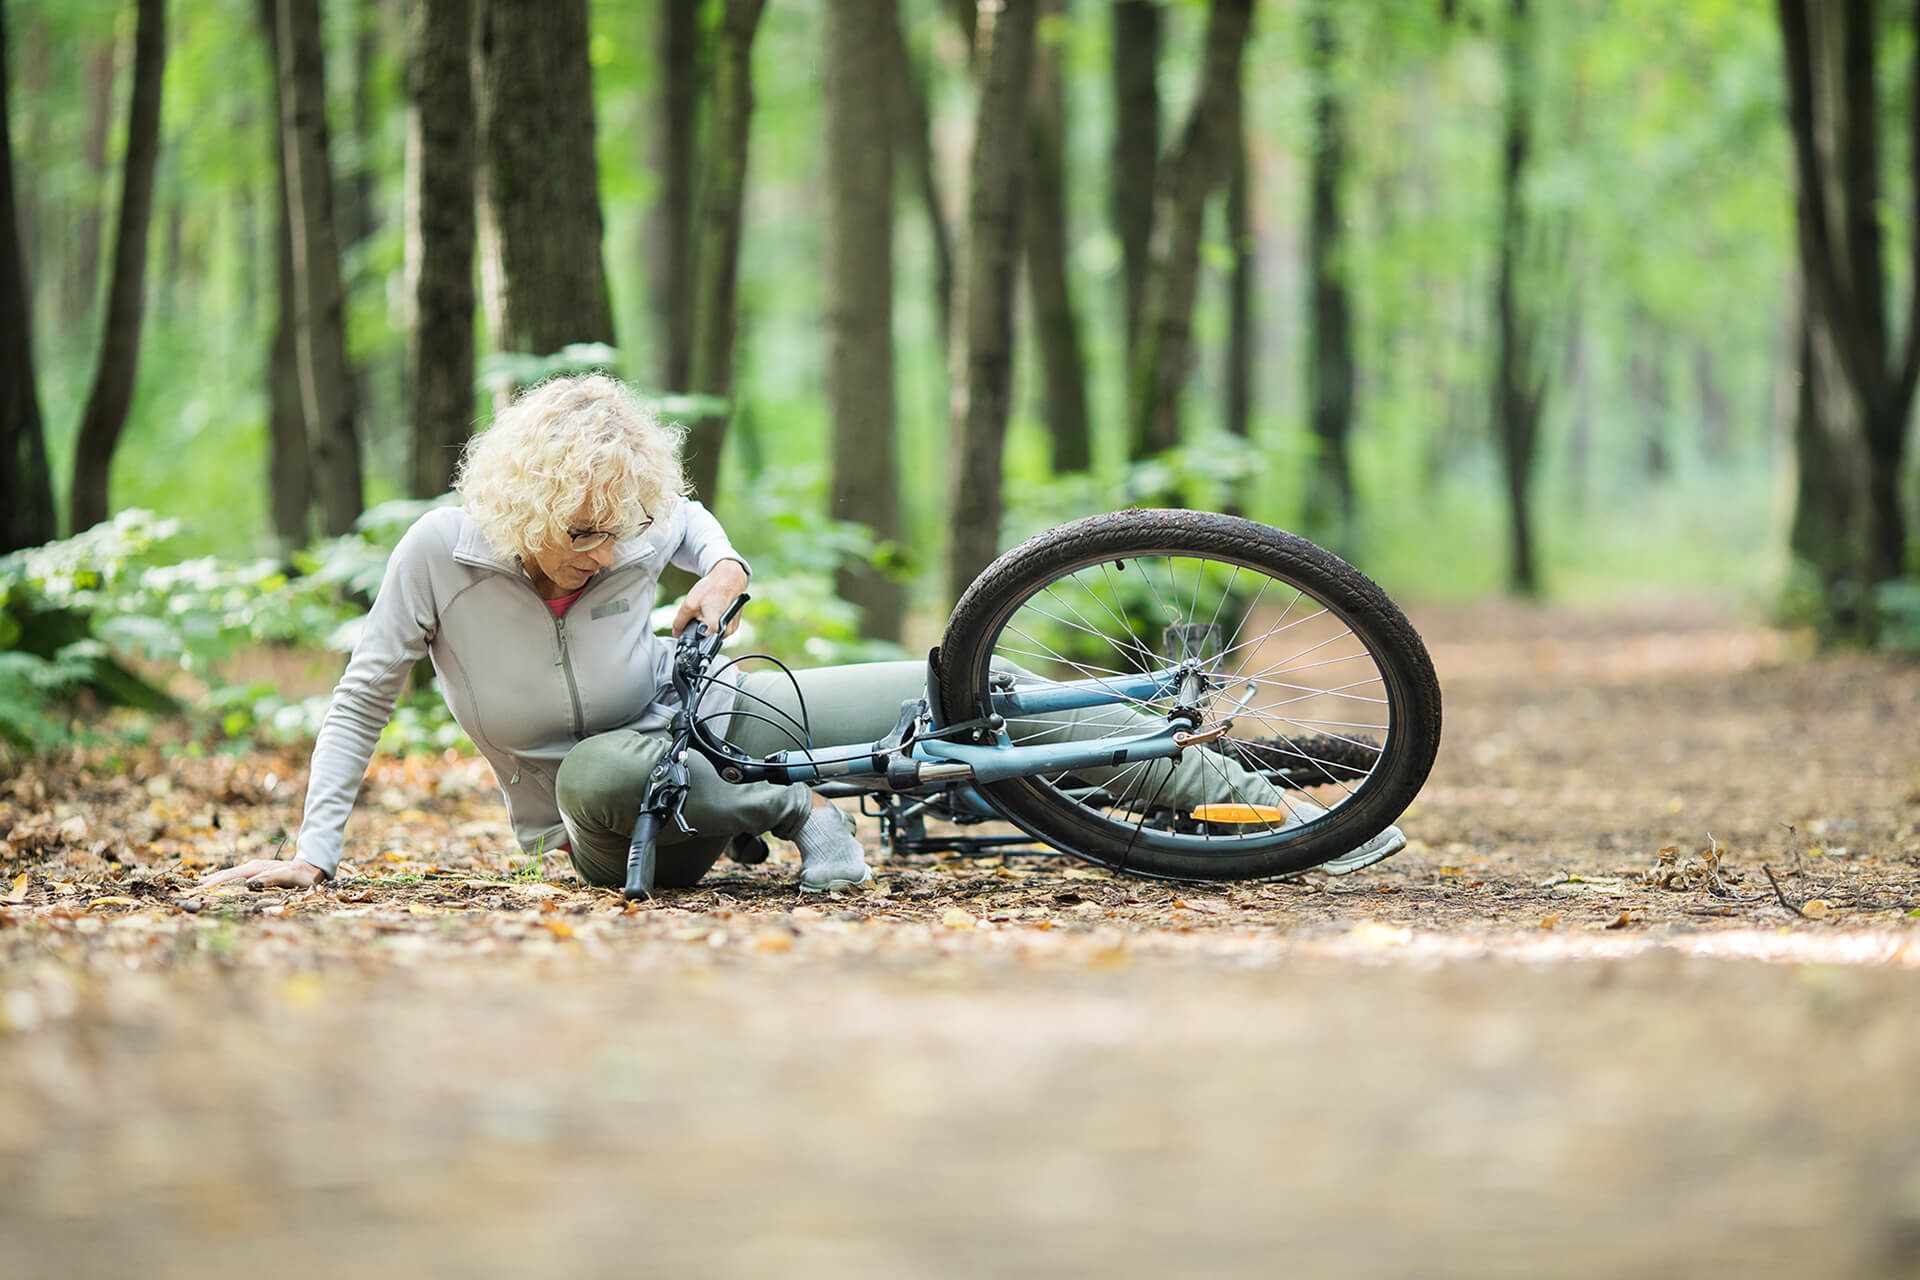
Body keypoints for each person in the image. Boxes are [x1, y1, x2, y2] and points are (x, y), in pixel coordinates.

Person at [202, 373, 1403, 896]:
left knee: (970, 688)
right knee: (598, 768)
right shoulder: (440, 554)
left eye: (620, 530)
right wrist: (315, 853)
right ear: (520, 507)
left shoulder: (632, 522)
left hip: (714, 717)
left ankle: (1285, 815)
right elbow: (362, 695)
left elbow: (693, 528)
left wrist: (722, 566)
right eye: (579, 532)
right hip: (606, 814)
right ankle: (796, 813)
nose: (604, 552)